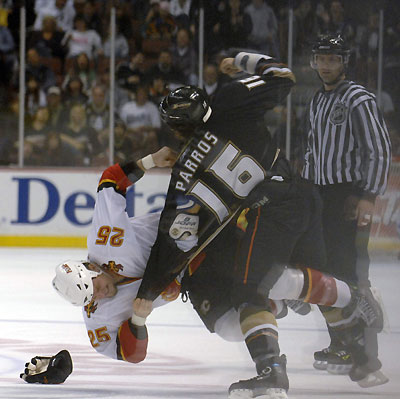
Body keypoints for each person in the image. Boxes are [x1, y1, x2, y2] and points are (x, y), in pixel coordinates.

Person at [23, 146, 381, 394]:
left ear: (90, 266)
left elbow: (110, 180)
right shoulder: (98, 317)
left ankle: (351, 294)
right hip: (192, 277)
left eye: (96, 284)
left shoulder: (105, 238)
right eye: (92, 297)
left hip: (206, 241)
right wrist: (138, 320)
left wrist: (151, 161)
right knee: (229, 329)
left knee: (270, 282)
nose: (100, 294)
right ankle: (285, 304)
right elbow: (131, 354)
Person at [132, 52, 385, 398]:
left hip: (270, 209)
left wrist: (147, 292)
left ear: (175, 127)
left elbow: (173, 237)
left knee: (249, 290)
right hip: (303, 194)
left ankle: (272, 372)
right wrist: (241, 60)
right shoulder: (232, 100)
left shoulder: (185, 173)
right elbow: (283, 77)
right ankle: (361, 359)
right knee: (312, 277)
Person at [302, 33, 391, 386]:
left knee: (351, 276)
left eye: (333, 59)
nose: (326, 65)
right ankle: (343, 345)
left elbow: (378, 150)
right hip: (321, 196)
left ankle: (367, 359)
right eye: (321, 59)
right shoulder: (316, 100)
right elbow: (312, 150)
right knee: (326, 274)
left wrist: (368, 195)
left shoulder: (357, 98)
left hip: (348, 198)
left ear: (344, 62)